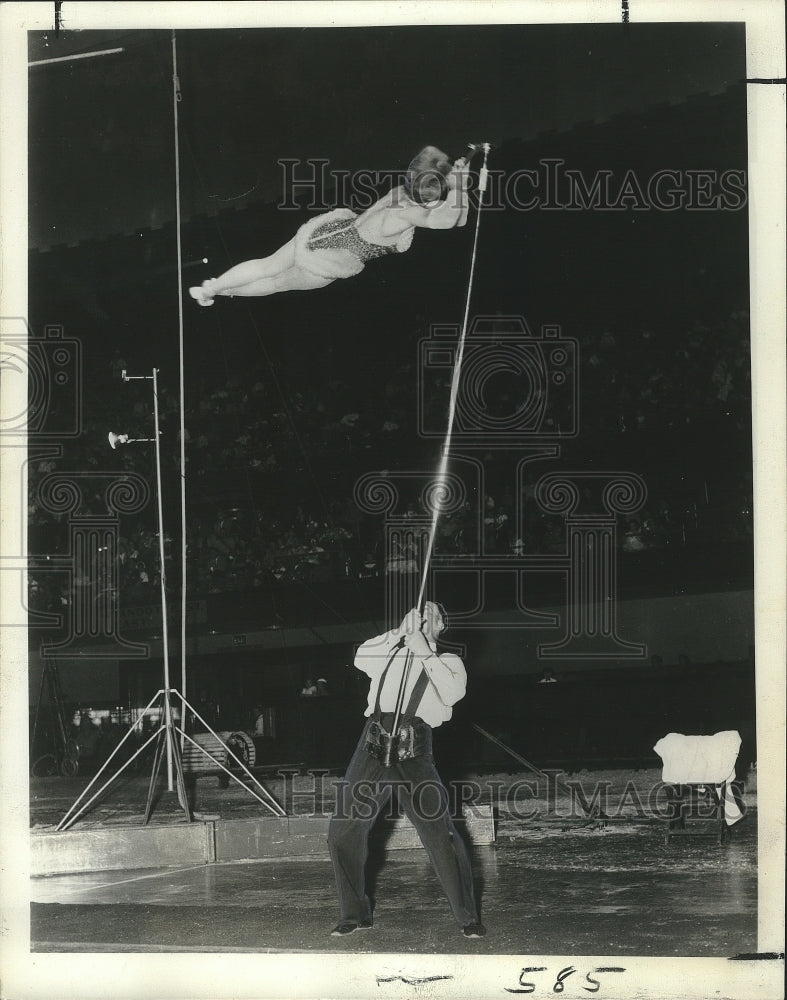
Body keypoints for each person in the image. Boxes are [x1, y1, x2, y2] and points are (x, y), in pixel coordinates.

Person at [327, 601, 485, 939]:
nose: (426, 618)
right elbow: (360, 659)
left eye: (435, 616)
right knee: (342, 832)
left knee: (438, 833)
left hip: (414, 744)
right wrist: (399, 633)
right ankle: (354, 914)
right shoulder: (391, 651)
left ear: (442, 626)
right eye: (421, 613)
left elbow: (453, 693)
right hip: (373, 739)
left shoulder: (447, 660)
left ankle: (467, 917)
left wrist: (424, 652)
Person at [189, 146, 471, 305]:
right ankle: (225, 290)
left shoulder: (400, 192)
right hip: (334, 257)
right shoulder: (407, 214)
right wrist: (459, 185)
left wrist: (455, 178)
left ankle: (214, 287)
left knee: (268, 265)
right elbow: (450, 220)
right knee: (275, 283)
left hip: (329, 233)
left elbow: (451, 213)